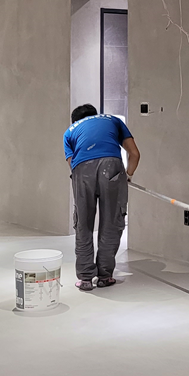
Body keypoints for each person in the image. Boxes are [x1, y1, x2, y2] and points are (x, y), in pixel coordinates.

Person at [63, 103, 140, 291]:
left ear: (75, 121)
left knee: (83, 223)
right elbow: (134, 154)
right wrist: (127, 175)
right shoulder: (112, 120)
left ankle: (85, 278)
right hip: (111, 166)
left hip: (82, 169)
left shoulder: (69, 131)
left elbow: (72, 164)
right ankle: (105, 276)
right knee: (111, 221)